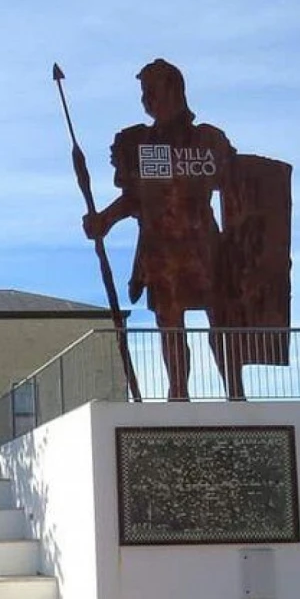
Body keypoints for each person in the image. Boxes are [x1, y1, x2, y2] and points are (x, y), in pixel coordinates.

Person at [82, 59, 238, 400]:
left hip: (203, 247)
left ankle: (235, 393)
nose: (148, 99)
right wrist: (105, 219)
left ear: (175, 91)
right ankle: (178, 393)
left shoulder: (208, 140)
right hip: (161, 251)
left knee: (221, 321)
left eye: (153, 91)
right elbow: (137, 198)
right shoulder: (137, 143)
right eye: (144, 93)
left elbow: (236, 187)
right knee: (170, 326)